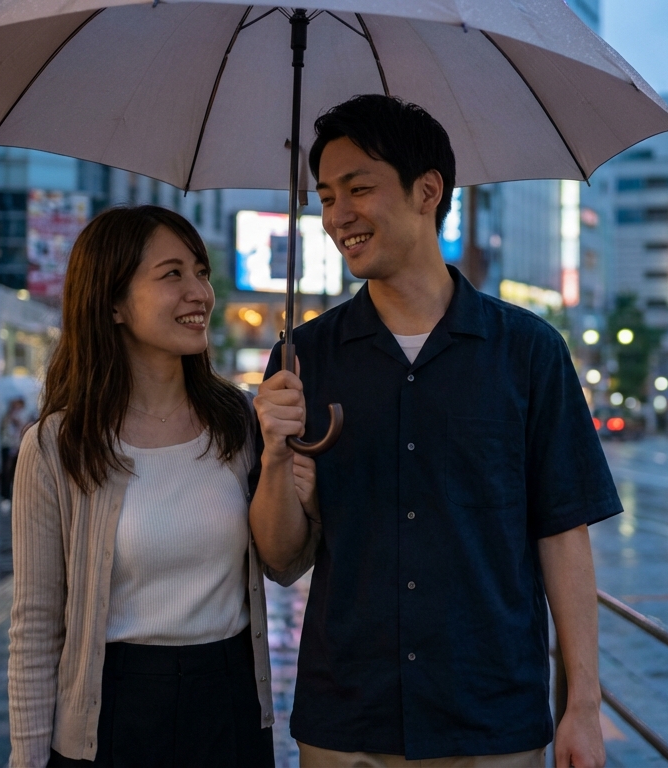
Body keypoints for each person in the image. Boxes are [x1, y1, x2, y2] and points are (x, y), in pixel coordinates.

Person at [252, 95, 622, 768]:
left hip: (491, 719)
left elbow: (563, 534)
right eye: (327, 196)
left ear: (428, 191)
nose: (338, 216)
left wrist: (584, 706)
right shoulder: (303, 360)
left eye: (358, 188)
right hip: (347, 719)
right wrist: (274, 456)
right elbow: (282, 560)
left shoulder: (528, 352)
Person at [7, 206, 318, 768]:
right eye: (172, 274)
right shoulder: (57, 446)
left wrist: (277, 456)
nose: (199, 291)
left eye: (201, 271)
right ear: (113, 303)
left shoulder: (239, 423)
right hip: (112, 714)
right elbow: (34, 629)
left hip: (228, 702)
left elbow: (287, 564)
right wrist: (26, 761)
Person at [0, 397, 28, 502]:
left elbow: (24, 429)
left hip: (18, 447)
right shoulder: (6, 416)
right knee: (6, 471)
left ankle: (15, 495)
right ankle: (5, 496)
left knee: (16, 472)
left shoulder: (22, 415)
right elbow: (2, 430)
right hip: (7, 446)